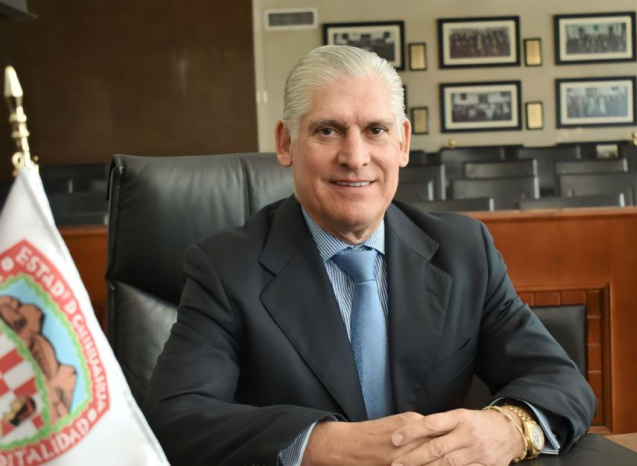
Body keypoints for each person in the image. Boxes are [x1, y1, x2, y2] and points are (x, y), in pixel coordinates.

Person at [144, 45, 596, 466]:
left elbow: (561, 381)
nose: (355, 157)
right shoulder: (225, 267)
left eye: (375, 130)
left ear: (402, 142)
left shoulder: (463, 250)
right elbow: (177, 418)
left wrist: (509, 429)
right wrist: (324, 444)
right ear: (285, 143)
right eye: (328, 130)